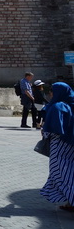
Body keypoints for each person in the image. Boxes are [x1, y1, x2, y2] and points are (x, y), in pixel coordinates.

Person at [40, 82, 74, 211]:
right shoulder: (71, 103)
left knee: (60, 172)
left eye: (52, 91)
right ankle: (70, 203)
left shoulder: (58, 106)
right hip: (70, 144)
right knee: (69, 171)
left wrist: (45, 132)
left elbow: (54, 127)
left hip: (60, 144)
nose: (50, 94)